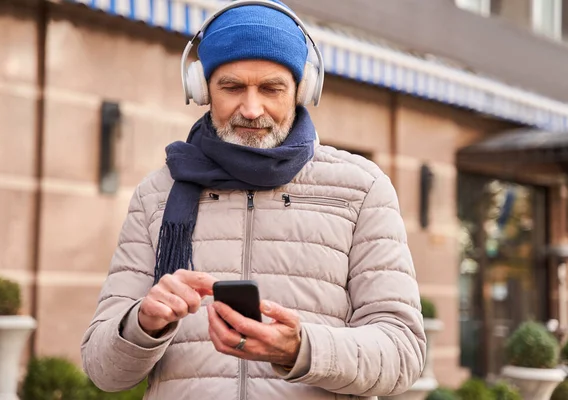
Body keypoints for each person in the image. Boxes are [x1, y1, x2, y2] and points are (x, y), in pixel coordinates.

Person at [80, 1, 426, 399]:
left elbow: (404, 355)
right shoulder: (155, 195)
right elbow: (103, 372)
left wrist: (301, 349)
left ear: (303, 89)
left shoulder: (362, 189)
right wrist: (143, 323)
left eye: (271, 88)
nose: (251, 107)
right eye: (231, 87)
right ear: (200, 88)